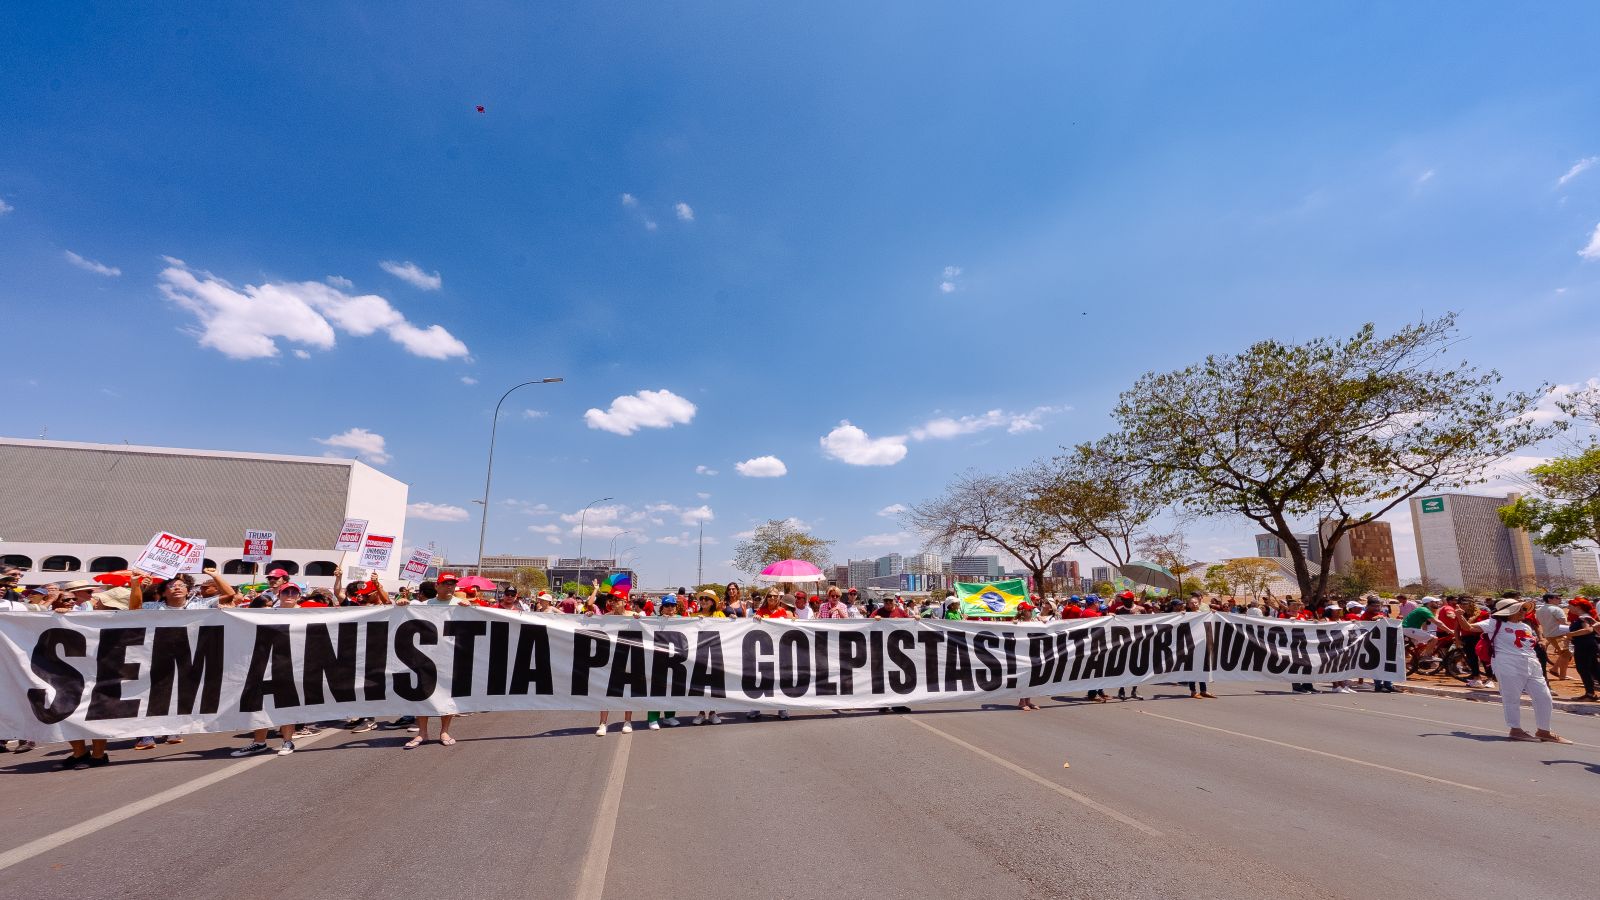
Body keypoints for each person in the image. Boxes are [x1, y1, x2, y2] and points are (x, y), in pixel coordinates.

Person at [1461, 598, 1571, 743]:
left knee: (1544, 697)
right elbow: (1469, 628)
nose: (1524, 612)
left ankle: (1544, 731)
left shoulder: (1525, 626)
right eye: (1521, 609)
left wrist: (1541, 642)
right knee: (1511, 697)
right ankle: (1515, 729)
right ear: (1509, 611)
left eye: (1525, 609)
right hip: (1507, 663)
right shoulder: (1494, 623)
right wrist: (1459, 615)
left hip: (1531, 663)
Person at [647, 595, 683, 729]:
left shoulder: (682, 620)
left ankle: (669, 716)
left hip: (675, 659)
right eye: (667, 606)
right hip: (658, 659)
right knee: (657, 689)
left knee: (672, 688)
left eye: (672, 606)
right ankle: (653, 718)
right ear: (662, 608)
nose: (670, 608)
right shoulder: (655, 620)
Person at [1534, 594, 1571, 682]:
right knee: (1566, 654)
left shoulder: (1539, 610)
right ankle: (1562, 675)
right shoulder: (1557, 609)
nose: (1560, 599)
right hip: (1559, 634)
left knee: (1563, 653)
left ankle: (1555, 669)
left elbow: (1538, 622)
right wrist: (1571, 631)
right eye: (1557, 598)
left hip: (1548, 634)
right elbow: (1564, 623)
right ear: (1549, 599)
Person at [1567, 599, 1598, 701]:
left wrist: (1571, 634)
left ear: (1578, 607)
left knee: (1583, 669)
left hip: (1584, 646)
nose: (1569, 608)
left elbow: (1588, 630)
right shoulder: (1583, 617)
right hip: (1587, 645)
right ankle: (1590, 693)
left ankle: (1590, 694)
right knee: (1594, 669)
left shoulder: (1583, 617)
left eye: (1571, 606)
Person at [1016, 602, 1041, 710]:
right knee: (1024, 677)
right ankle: (1022, 701)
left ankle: (1028, 700)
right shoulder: (1017, 623)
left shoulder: (1034, 622)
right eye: (1029, 610)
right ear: (1023, 612)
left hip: (1033, 652)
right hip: (1022, 654)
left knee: (1032, 678)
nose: (1031, 612)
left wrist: (1043, 622)